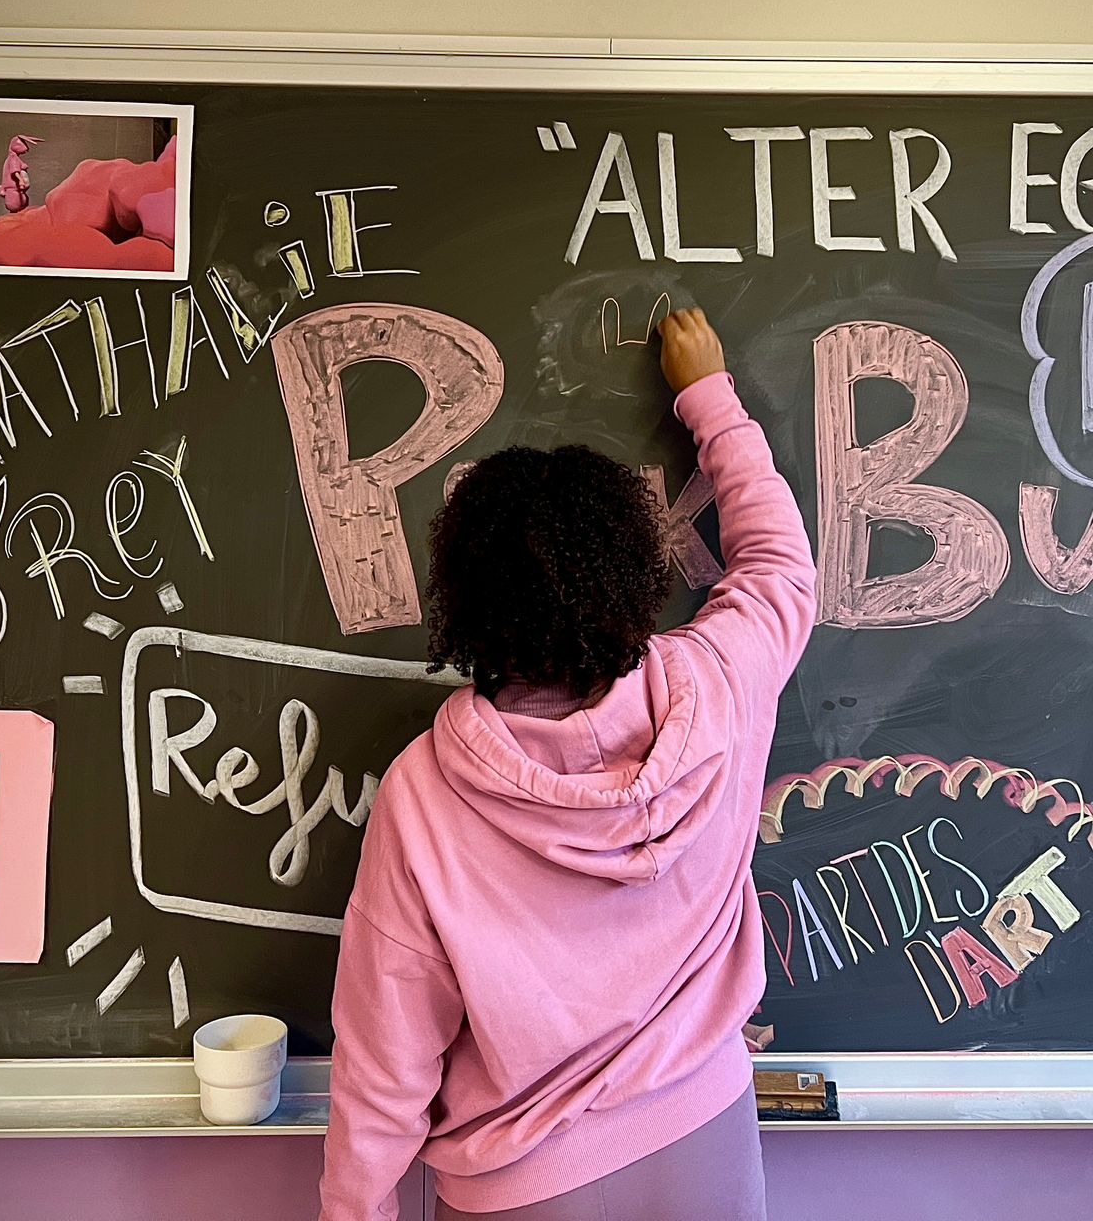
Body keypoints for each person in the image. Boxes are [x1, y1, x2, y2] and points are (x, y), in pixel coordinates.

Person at [320, 310, 815, 1221]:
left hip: (520, 1183)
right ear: (633, 576)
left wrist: (355, 1212)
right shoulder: (717, 685)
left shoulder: (425, 795)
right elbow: (780, 566)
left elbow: (386, 1058)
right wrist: (710, 396)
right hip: (708, 1141)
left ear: (462, 600)